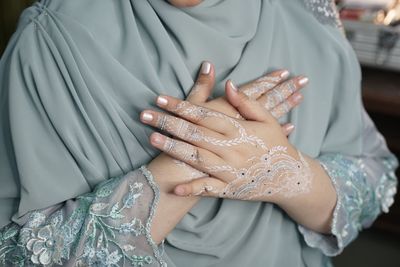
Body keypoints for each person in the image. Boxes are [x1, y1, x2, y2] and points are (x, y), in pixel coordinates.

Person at [0, 0, 397, 266]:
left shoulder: (305, 15)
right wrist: (185, 163)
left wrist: (288, 174)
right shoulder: (52, 39)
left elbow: (375, 178)